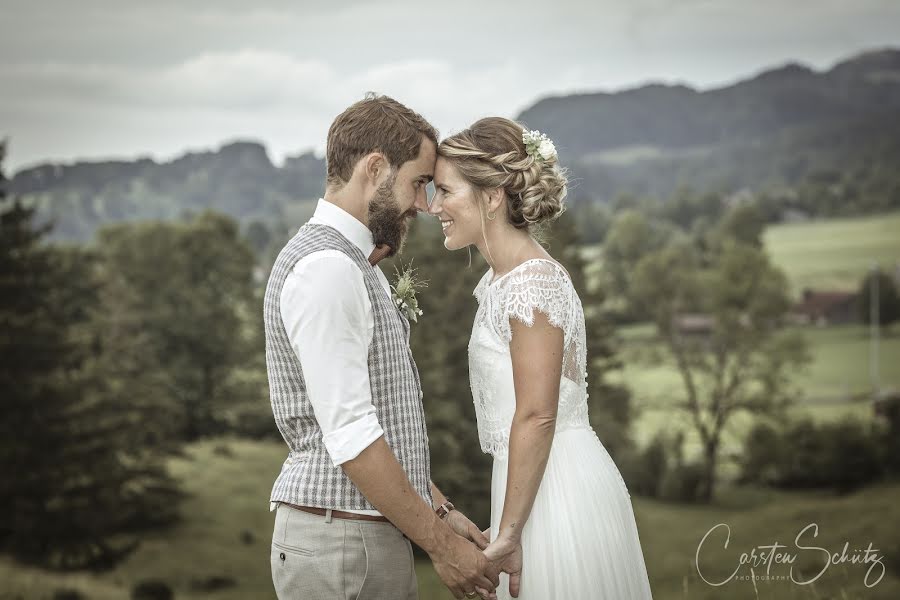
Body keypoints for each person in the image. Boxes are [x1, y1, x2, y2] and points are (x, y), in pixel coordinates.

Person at [263, 94, 500, 600]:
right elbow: (351, 434)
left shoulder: (346, 260)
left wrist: (440, 510)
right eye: (417, 182)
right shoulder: (328, 268)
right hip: (343, 543)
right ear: (375, 168)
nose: (422, 204)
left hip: (354, 538)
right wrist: (440, 547)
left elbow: (383, 422)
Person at [429, 117, 654, 599]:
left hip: (557, 492)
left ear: (491, 197)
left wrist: (509, 534)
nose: (434, 207)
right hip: (526, 487)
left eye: (446, 192)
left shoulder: (531, 283)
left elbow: (536, 414)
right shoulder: (501, 282)